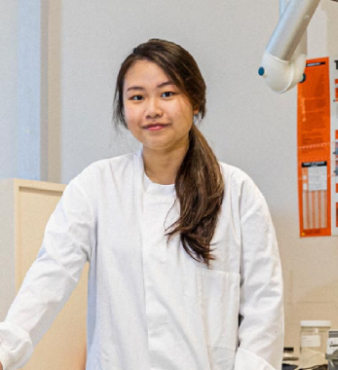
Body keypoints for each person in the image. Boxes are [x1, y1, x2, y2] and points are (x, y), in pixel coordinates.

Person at [0, 39, 284, 370]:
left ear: (195, 101)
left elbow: (264, 307)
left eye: (167, 93)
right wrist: (6, 349)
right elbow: (51, 274)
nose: (152, 109)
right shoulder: (97, 186)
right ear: (123, 109)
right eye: (137, 97)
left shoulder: (236, 192)